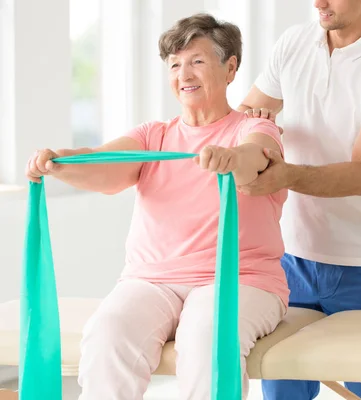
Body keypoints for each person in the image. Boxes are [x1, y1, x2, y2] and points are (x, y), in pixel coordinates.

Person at [25, 13, 289, 400]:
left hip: (240, 278)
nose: (185, 73)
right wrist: (58, 162)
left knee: (205, 338)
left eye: (197, 61)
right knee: (107, 334)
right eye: (175, 64)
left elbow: (258, 159)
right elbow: (102, 164)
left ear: (230, 68)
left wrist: (232, 159)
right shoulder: (155, 136)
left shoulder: (252, 129)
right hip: (151, 280)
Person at [237, 0, 361, 399]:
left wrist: (282, 175)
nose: (319, 2)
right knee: (283, 392)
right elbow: (248, 113)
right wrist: (256, 138)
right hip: (287, 259)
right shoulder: (293, 43)